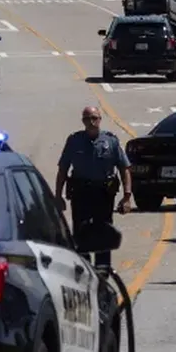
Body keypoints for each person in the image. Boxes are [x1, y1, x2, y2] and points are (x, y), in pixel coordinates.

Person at [54, 106, 132, 268]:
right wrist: (58, 196)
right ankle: (84, 268)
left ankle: (103, 269)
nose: (91, 122)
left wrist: (127, 196)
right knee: (81, 231)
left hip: (103, 194)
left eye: (95, 118)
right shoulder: (74, 141)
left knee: (104, 230)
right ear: (83, 121)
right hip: (81, 193)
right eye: (87, 119)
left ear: (100, 119)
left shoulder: (111, 141)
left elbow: (124, 168)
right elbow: (63, 169)